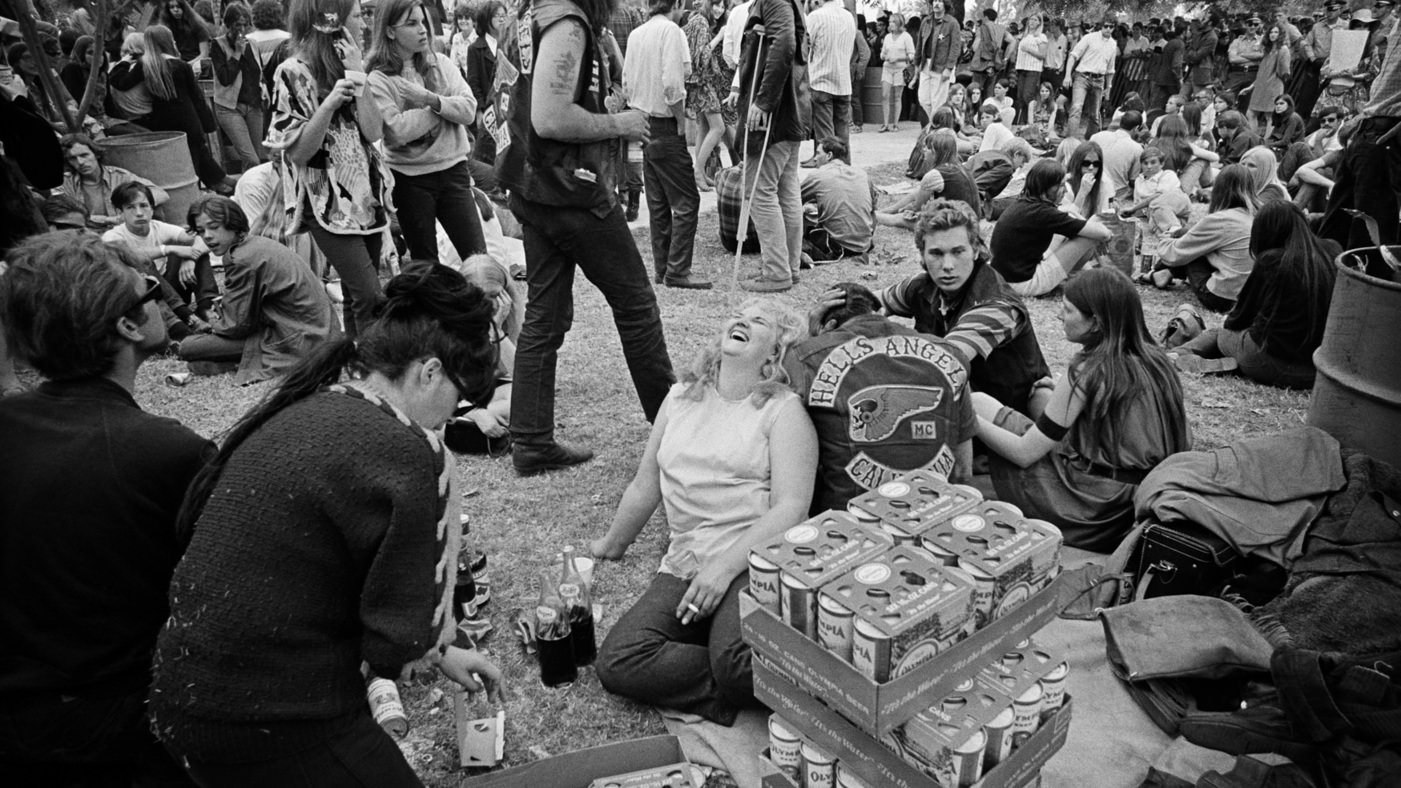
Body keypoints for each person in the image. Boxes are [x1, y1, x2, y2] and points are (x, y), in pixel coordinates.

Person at [149, 264, 504, 785]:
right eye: (460, 394)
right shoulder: (413, 452)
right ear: (429, 372)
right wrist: (432, 639)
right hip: (272, 718)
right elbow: (397, 644)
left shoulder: (307, 404)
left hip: (184, 694)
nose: (454, 414)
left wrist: (443, 652)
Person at [0, 232, 215, 786]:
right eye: (151, 291)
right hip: (129, 726)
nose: (159, 297)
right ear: (128, 325)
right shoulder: (168, 451)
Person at [592, 299, 817, 727]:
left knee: (735, 664)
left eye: (759, 321)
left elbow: (792, 508)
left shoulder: (783, 410)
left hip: (752, 562)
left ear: (775, 351)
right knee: (619, 660)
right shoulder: (680, 397)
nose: (742, 320)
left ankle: (761, 669)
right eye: (739, 315)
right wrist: (611, 544)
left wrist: (722, 569)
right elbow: (646, 483)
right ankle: (744, 669)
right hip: (686, 565)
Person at [496, 0, 676, 474]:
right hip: (570, 190)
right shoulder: (567, 24)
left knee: (545, 316)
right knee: (636, 305)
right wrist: (619, 123)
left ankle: (531, 439)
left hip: (534, 186)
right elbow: (550, 118)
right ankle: (675, 431)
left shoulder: (531, 13)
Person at [974, 267, 1191, 553]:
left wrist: (970, 420)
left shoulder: (1089, 368)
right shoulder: (1157, 361)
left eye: (1068, 310)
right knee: (1028, 397)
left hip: (1092, 507)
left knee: (976, 409)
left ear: (1096, 322)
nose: (1059, 316)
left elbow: (1024, 453)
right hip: (1141, 497)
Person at [786, 282, 974, 512]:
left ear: (830, 326)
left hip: (848, 516)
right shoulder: (952, 354)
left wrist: (810, 339)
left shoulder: (804, 358)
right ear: (881, 313)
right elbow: (963, 471)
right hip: (935, 509)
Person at [265, 0, 390, 338]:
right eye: (358, 16)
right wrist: (329, 104)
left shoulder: (350, 66)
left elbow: (373, 132)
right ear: (331, 22)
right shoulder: (291, 72)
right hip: (324, 201)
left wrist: (358, 74)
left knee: (356, 296)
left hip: (363, 195)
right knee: (371, 296)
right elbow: (299, 153)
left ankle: (355, 359)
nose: (364, 25)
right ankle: (373, 362)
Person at [879, 199, 1051, 417]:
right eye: (936, 253)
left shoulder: (996, 305)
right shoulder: (924, 286)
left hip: (1010, 421)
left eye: (958, 252)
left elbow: (940, 362)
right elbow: (868, 301)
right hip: (958, 411)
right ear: (922, 255)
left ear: (976, 250)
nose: (947, 265)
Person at [367, 0, 488, 266]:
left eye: (423, 21)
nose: (423, 29)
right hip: (409, 180)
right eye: (412, 23)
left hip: (453, 170)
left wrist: (429, 99)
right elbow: (397, 132)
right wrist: (443, 108)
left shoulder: (441, 63)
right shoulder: (379, 79)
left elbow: (469, 110)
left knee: (478, 260)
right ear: (390, 31)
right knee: (426, 268)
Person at [1174, 201, 1338, 389]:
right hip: (1316, 370)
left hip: (1267, 362)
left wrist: (1231, 322)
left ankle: (1177, 355)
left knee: (1221, 333)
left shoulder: (1272, 260)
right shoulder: (1332, 251)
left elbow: (1238, 319)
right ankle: (1230, 364)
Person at [175, 196, 338, 383]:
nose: (207, 236)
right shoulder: (254, 244)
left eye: (214, 227)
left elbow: (235, 326)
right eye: (201, 231)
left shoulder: (241, 258)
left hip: (298, 338)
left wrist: (214, 323)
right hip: (318, 333)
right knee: (202, 351)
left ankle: (232, 362)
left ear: (233, 224)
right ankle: (228, 363)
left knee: (188, 347)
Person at [624, 0, 707, 289]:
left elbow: (626, 82)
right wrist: (681, 119)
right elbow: (672, 84)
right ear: (678, 3)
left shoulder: (637, 34)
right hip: (664, 122)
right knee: (686, 201)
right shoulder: (671, 31)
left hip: (643, 120)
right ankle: (678, 269)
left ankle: (663, 268)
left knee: (658, 202)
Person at [732, 0, 810, 292]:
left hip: (775, 115)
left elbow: (785, 43)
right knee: (786, 188)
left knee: (759, 191)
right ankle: (787, 266)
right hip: (791, 110)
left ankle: (777, 271)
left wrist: (764, 101)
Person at [109, 25, 230, 191]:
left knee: (185, 161)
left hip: (164, 121)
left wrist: (123, 63)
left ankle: (218, 184)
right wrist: (208, 123)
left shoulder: (146, 65)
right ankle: (221, 185)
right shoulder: (181, 65)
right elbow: (197, 98)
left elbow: (121, 83)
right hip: (188, 118)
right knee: (195, 155)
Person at [990, 158, 1112, 297]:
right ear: (1046, 187)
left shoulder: (1026, 203)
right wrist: (1103, 237)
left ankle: (1081, 273)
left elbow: (1069, 215)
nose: (1065, 190)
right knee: (1089, 235)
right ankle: (1089, 274)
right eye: (1061, 185)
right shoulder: (1044, 213)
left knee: (1076, 220)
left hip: (1005, 277)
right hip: (1024, 283)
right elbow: (1103, 233)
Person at [102, 181, 218, 322]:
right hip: (147, 297)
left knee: (195, 251)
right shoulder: (112, 237)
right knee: (143, 261)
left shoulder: (158, 227)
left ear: (152, 209)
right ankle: (185, 315)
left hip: (173, 287)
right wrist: (167, 249)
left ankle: (207, 306)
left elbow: (202, 238)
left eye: (144, 206)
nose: (139, 213)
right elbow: (129, 256)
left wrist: (191, 258)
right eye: (130, 207)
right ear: (120, 213)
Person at [1153, 164, 1259, 313]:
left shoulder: (1221, 219)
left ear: (1219, 189)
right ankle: (1166, 273)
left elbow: (1176, 253)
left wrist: (1166, 239)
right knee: (1191, 237)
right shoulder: (1258, 216)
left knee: (1188, 241)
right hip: (1250, 297)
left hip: (1221, 298)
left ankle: (1161, 273)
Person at [56, 133, 169, 228]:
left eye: (84, 155)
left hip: (122, 230)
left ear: (96, 154)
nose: (80, 162)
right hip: (86, 233)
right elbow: (61, 214)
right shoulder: (66, 182)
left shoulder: (118, 176)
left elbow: (161, 194)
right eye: (72, 158)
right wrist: (107, 220)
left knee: (155, 210)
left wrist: (133, 206)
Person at [211, 2, 267, 172]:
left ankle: (248, 186)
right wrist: (236, 53)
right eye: (237, 25)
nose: (242, 29)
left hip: (253, 105)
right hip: (230, 107)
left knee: (258, 157)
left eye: (245, 25)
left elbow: (259, 73)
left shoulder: (253, 44)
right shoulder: (218, 44)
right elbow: (225, 78)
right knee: (251, 159)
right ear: (228, 25)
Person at [798, 136, 874, 263]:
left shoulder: (818, 176)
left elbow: (792, 200)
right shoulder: (862, 174)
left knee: (798, 214)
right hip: (865, 244)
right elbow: (873, 212)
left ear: (829, 155)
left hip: (836, 246)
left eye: (818, 153)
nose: (815, 158)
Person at [803, 0, 854, 167]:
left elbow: (805, 47)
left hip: (821, 81)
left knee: (825, 137)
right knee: (843, 134)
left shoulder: (816, 17)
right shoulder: (849, 17)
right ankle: (845, 169)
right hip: (843, 81)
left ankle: (829, 172)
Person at [1063, 18, 1117, 135]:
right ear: (1101, 26)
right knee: (1076, 108)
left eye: (1111, 26)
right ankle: (1071, 139)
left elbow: (1110, 69)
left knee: (1095, 114)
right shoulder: (1090, 38)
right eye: (1106, 26)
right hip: (1082, 76)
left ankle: (1091, 139)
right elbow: (1073, 56)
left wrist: (1109, 87)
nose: (1108, 29)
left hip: (1099, 79)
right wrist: (1067, 75)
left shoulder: (1113, 44)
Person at [1089, 108, 1143, 204]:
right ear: (1136, 128)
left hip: (1091, 183)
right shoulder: (1137, 149)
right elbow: (1133, 180)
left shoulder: (1097, 136)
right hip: (1116, 192)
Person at [917, 0, 959, 121]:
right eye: (935, 0)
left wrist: (949, 68)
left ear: (945, 4)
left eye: (940, 1)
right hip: (925, 64)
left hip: (941, 65)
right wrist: (917, 63)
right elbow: (920, 43)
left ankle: (935, 126)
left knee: (938, 101)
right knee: (923, 99)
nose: (936, 4)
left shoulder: (952, 23)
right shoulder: (926, 21)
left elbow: (955, 47)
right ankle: (935, 122)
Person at [1247, 22, 1292, 131]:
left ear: (1281, 34)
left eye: (1276, 32)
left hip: (1273, 85)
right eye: (1271, 32)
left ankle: (1267, 140)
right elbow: (1262, 71)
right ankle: (1254, 138)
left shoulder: (1283, 49)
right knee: (1251, 113)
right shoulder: (1267, 50)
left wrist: (1278, 79)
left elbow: (1284, 71)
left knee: (1270, 116)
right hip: (1261, 85)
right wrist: (1251, 86)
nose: (1273, 34)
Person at [879, 12, 915, 132]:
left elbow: (912, 55)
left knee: (897, 96)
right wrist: (884, 56)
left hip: (900, 69)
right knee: (885, 95)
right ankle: (885, 123)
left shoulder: (906, 37)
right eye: (890, 22)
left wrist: (898, 59)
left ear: (899, 23)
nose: (891, 24)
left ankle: (895, 124)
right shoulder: (887, 37)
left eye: (893, 22)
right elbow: (882, 53)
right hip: (887, 68)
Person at [160, 0, 212, 65]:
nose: (176, 10)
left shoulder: (198, 27)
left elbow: (204, 55)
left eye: (178, 6)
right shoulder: (167, 29)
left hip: (197, 64)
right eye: (172, 7)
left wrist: (186, 66)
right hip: (177, 63)